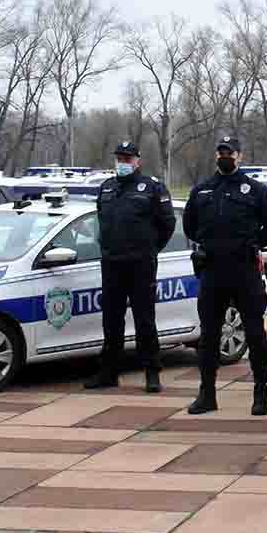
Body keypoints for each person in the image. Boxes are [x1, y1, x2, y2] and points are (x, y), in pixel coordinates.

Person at [184, 134, 267, 416]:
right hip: (213, 271)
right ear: (215, 156)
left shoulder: (255, 191)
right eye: (220, 152)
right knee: (209, 337)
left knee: (254, 334)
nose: (224, 156)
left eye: (230, 152)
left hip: (244, 271)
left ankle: (261, 393)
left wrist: (252, 242)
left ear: (239, 156)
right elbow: (190, 226)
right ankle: (207, 394)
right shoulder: (202, 191)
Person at [87, 140, 175, 393]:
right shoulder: (106, 188)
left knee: (144, 319)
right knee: (111, 320)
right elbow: (101, 222)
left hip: (141, 264)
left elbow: (167, 224)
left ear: (138, 161)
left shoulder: (152, 188)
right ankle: (109, 372)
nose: (123, 163)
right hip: (112, 263)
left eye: (128, 159)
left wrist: (149, 249)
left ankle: (152, 372)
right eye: (120, 158)